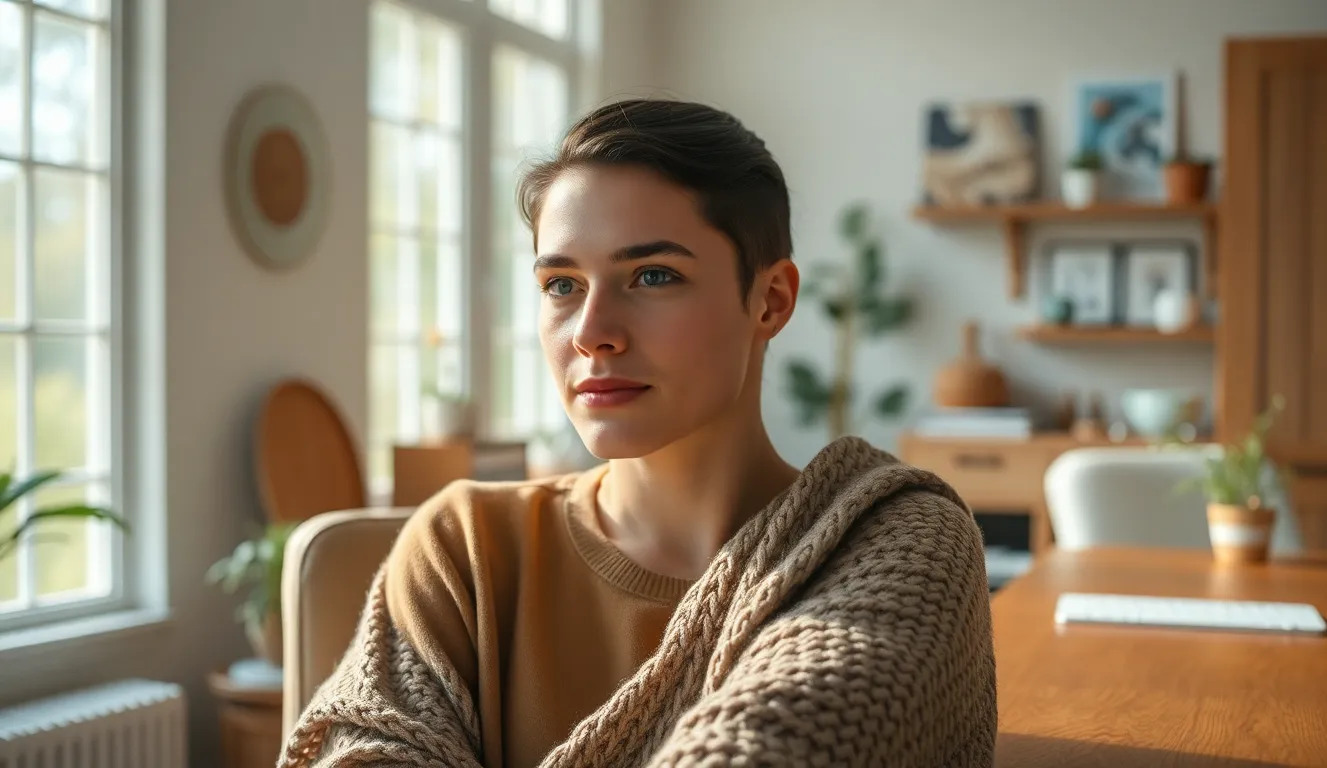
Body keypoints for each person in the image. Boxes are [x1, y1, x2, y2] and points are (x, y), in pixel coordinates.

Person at [279, 98, 997, 767]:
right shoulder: (463, 548)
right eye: (562, 285)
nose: (592, 334)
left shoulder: (892, 538)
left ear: (770, 301)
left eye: (652, 276)